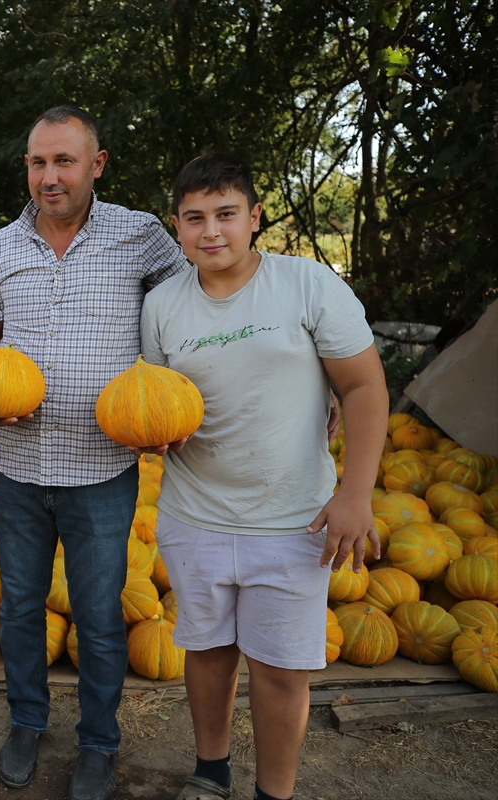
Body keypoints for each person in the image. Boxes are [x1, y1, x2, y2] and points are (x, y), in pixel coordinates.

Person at [141, 153, 386, 800]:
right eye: (195, 219)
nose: (211, 231)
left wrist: (354, 493)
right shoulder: (163, 305)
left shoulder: (307, 286)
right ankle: (210, 772)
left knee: (281, 673)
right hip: (193, 516)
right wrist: (155, 433)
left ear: (254, 217)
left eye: (226, 214)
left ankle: (273, 794)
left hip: (292, 521)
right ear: (177, 227)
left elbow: (362, 387)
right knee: (209, 655)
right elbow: (154, 404)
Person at [0, 106, 190, 800]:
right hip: (15, 466)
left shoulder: (143, 237)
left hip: (101, 470)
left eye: (65, 161)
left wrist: (173, 397)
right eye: (38, 162)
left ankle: (99, 742)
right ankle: (28, 720)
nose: (50, 176)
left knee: (98, 617)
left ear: (95, 164)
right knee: (22, 606)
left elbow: (195, 310)